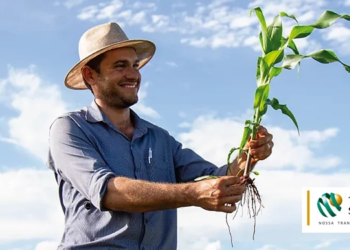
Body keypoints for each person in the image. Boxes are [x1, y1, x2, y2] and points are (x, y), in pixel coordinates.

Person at [47, 22, 274, 250]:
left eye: (135, 65)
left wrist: (246, 158)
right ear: (90, 75)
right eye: (119, 66)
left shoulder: (160, 139)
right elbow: (109, 193)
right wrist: (193, 194)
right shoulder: (70, 129)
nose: (133, 74)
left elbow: (214, 181)